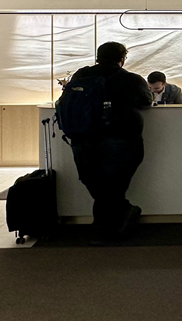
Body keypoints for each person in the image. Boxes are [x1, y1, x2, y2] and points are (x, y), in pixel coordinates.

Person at [64, 42, 153, 244]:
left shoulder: (81, 75)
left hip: (84, 139)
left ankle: (108, 228)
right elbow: (146, 101)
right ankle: (117, 224)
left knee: (99, 186)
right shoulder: (130, 79)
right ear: (122, 59)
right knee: (114, 186)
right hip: (121, 138)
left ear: (98, 56)